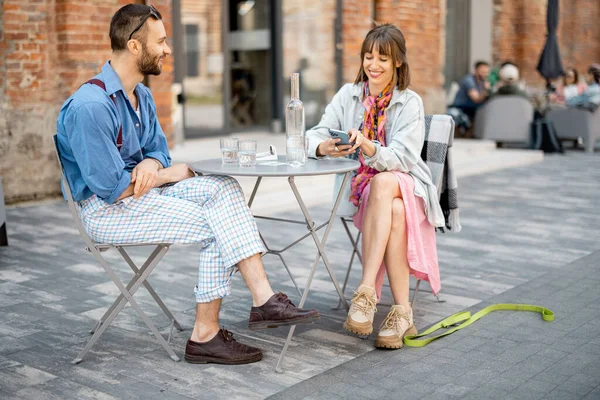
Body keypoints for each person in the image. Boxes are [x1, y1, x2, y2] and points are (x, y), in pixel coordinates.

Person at [56, 4, 318, 365]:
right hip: (106, 210)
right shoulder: (91, 107)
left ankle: (264, 300)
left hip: (143, 193)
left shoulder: (142, 96)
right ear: (134, 47)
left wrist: (152, 164)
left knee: (222, 187)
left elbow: (160, 153)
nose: (167, 49)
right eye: (161, 42)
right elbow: (112, 187)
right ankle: (204, 336)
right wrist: (163, 173)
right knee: (215, 226)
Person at [306, 24, 445, 349]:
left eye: (382, 58)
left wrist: (368, 147)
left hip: (407, 186)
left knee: (386, 184)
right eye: (369, 57)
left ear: (398, 61)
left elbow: (403, 160)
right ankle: (402, 313)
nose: (374, 65)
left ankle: (365, 291)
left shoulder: (410, 102)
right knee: (391, 209)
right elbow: (314, 133)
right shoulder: (348, 95)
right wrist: (323, 147)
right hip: (370, 196)